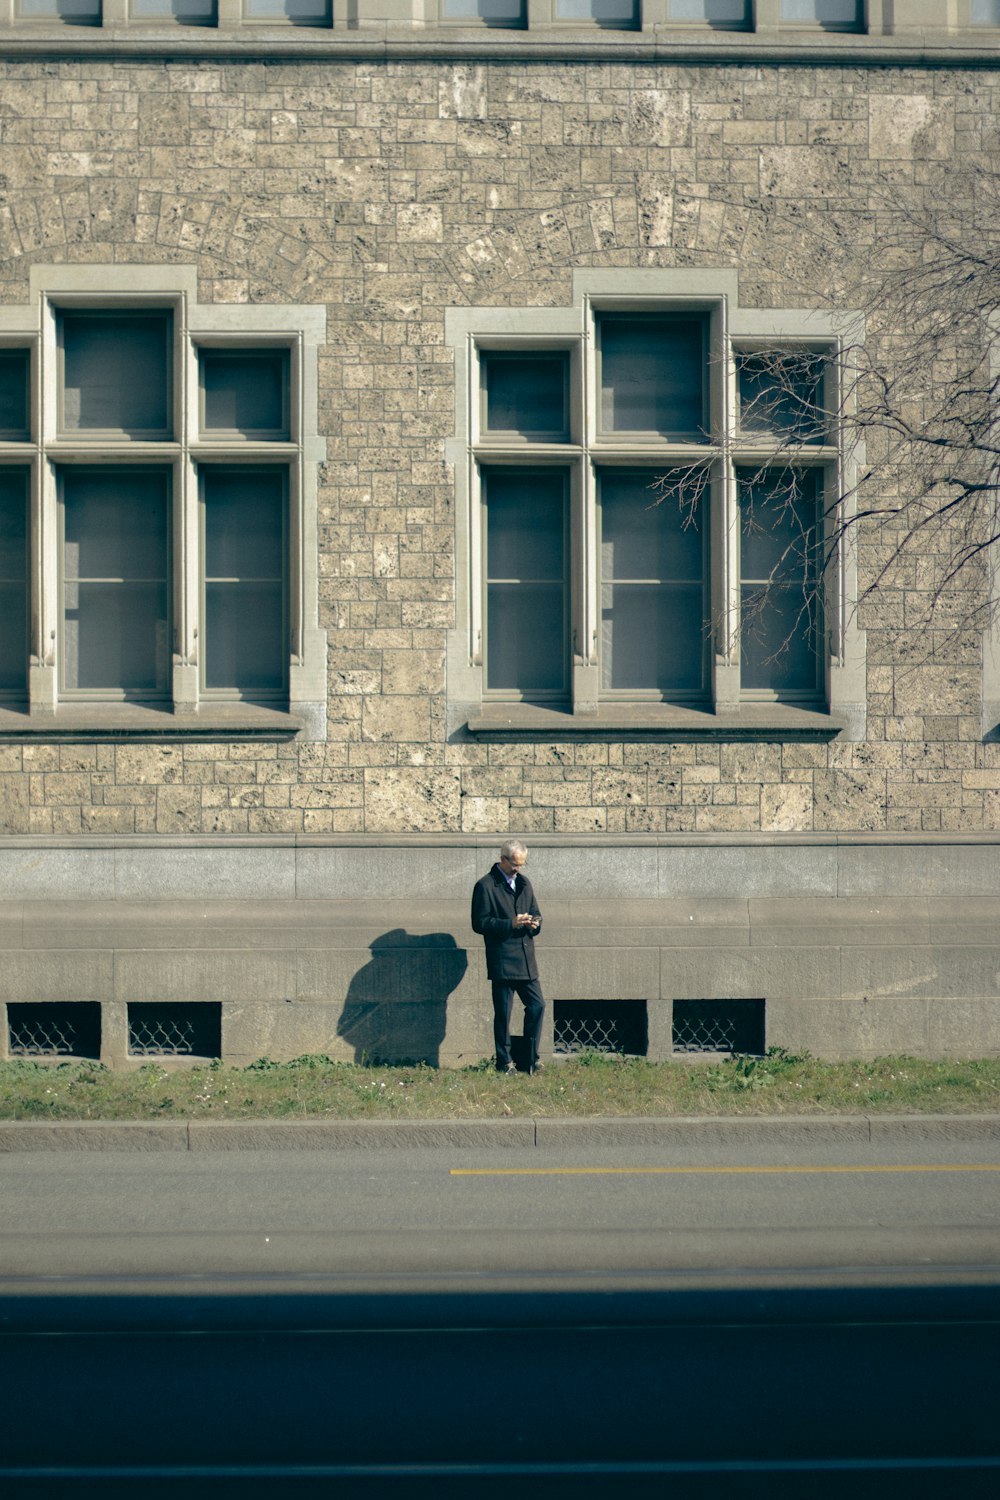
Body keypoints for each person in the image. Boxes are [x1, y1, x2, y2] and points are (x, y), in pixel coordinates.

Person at [471, 839, 545, 1076]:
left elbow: (537, 913)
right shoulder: (485, 886)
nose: (518, 869)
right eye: (514, 864)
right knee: (504, 1013)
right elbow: (479, 923)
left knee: (537, 1005)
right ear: (502, 859)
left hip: (526, 958)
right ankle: (505, 1061)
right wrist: (509, 923)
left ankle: (529, 1057)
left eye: (521, 864)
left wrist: (535, 924)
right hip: (503, 958)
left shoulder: (524, 883)